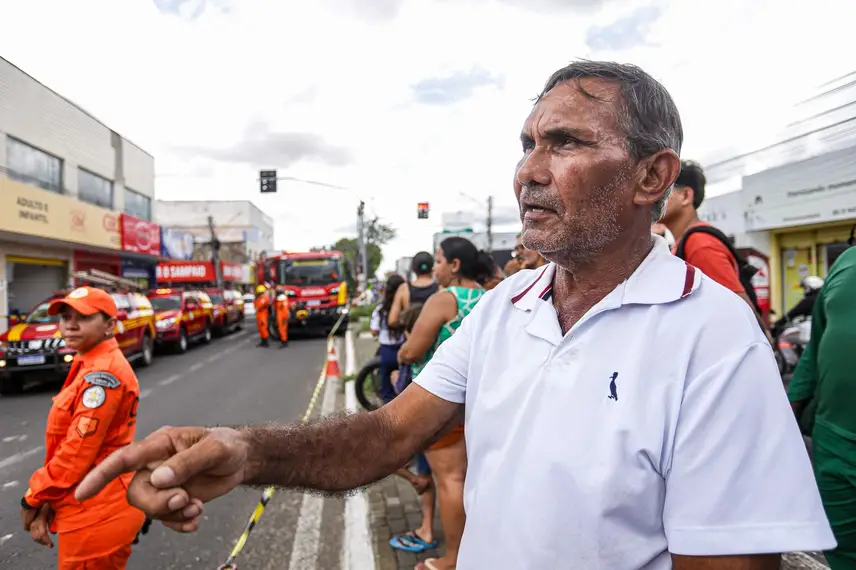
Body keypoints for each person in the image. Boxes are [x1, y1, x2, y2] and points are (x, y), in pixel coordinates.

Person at [77, 61, 835, 570]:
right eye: (528, 144)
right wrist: (245, 452)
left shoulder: (712, 336)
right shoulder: (510, 305)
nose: (529, 172)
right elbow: (387, 432)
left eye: (565, 143)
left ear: (651, 176)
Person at [21, 286, 146, 569]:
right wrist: (47, 503)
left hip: (96, 511)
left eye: (84, 317)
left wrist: (33, 497)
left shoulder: (103, 374)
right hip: (88, 501)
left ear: (110, 325)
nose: (70, 325)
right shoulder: (86, 361)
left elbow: (77, 451)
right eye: (65, 317)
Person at [391, 237, 490, 569]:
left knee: (450, 479)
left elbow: (412, 351)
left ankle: (453, 558)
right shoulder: (493, 296)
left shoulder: (445, 299)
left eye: (438, 261)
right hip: (483, 400)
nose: (435, 268)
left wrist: (402, 357)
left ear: (454, 265)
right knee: (470, 478)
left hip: (444, 405)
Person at [789, 248, 856, 569]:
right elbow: (815, 349)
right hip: (834, 442)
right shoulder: (846, 262)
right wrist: (787, 410)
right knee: (842, 553)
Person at [660, 160, 772, 341]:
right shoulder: (684, 242)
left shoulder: (699, 244)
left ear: (686, 196)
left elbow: (741, 312)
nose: (652, 196)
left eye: (663, 189)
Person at [370, 273, 406, 404]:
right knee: (405, 385)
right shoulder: (406, 309)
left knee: (386, 387)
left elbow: (374, 331)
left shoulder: (380, 310)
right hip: (405, 350)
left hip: (386, 352)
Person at [388, 252, 439, 329]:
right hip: (436, 337)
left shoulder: (404, 288)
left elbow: (392, 320)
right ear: (432, 267)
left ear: (413, 268)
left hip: (412, 337)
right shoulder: (440, 288)